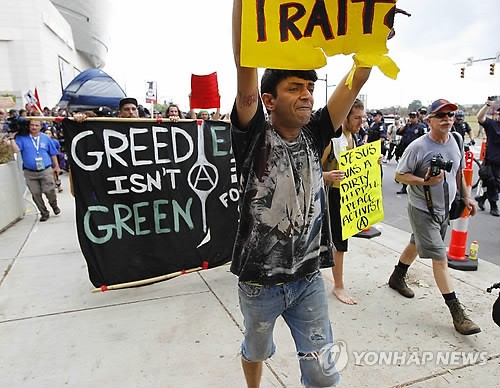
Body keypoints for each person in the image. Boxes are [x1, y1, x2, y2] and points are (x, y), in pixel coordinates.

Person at [230, 1, 371, 386]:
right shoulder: (255, 134)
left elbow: (354, 81)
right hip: (259, 283)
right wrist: (246, 8)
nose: (307, 95)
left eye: (310, 88)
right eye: (295, 88)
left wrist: (371, 39)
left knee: (323, 374)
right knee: (256, 350)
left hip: (308, 280)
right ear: (270, 101)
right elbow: (246, 67)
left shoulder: (316, 132)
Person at [389, 99, 480, 336]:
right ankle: (458, 314)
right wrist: (424, 181)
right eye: (441, 116)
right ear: (429, 120)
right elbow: (400, 175)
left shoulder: (457, 140)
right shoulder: (418, 147)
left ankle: (397, 277)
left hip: (444, 209)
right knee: (440, 258)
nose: (447, 119)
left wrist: (467, 197)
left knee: (416, 243)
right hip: (422, 208)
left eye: (450, 115)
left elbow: (459, 172)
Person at [322, 99, 365, 305]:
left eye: (362, 118)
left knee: (340, 241)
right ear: (345, 117)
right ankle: (338, 286)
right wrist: (328, 175)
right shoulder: (332, 140)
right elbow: (312, 171)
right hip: (332, 196)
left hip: (347, 196)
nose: (361, 122)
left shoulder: (352, 138)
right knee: (338, 243)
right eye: (357, 118)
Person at [9, 119, 61, 222]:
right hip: (30, 172)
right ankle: (44, 212)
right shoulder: (22, 138)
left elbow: (53, 153)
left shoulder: (45, 138)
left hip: (45, 170)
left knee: (49, 191)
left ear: (41, 126)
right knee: (36, 193)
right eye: (32, 125)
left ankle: (54, 205)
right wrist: (11, 138)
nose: (34, 127)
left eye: (36, 125)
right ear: (28, 126)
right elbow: (16, 150)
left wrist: (56, 166)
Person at [475, 99, 500, 217]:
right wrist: (487, 105)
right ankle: (494, 206)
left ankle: (482, 198)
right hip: (491, 161)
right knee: (493, 183)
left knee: (496, 184)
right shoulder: (492, 125)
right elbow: (480, 117)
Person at [395, 111, 426, 194]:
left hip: (417, 151)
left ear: (417, 118)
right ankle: (404, 187)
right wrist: (405, 125)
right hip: (405, 149)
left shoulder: (421, 127)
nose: (411, 119)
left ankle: (415, 187)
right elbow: (398, 132)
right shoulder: (407, 126)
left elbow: (425, 138)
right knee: (405, 169)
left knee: (415, 170)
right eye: (410, 117)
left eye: (413, 117)